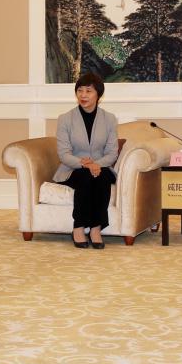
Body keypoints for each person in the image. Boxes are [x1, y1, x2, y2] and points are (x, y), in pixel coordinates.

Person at [54, 73, 120, 249]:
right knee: (86, 177)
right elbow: (64, 154)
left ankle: (96, 229)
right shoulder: (65, 119)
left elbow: (112, 153)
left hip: (101, 167)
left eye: (88, 91)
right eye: (80, 91)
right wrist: (85, 164)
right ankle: (79, 227)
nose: (83, 95)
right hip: (73, 168)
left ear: (98, 94)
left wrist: (97, 164)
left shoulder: (109, 119)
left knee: (102, 177)